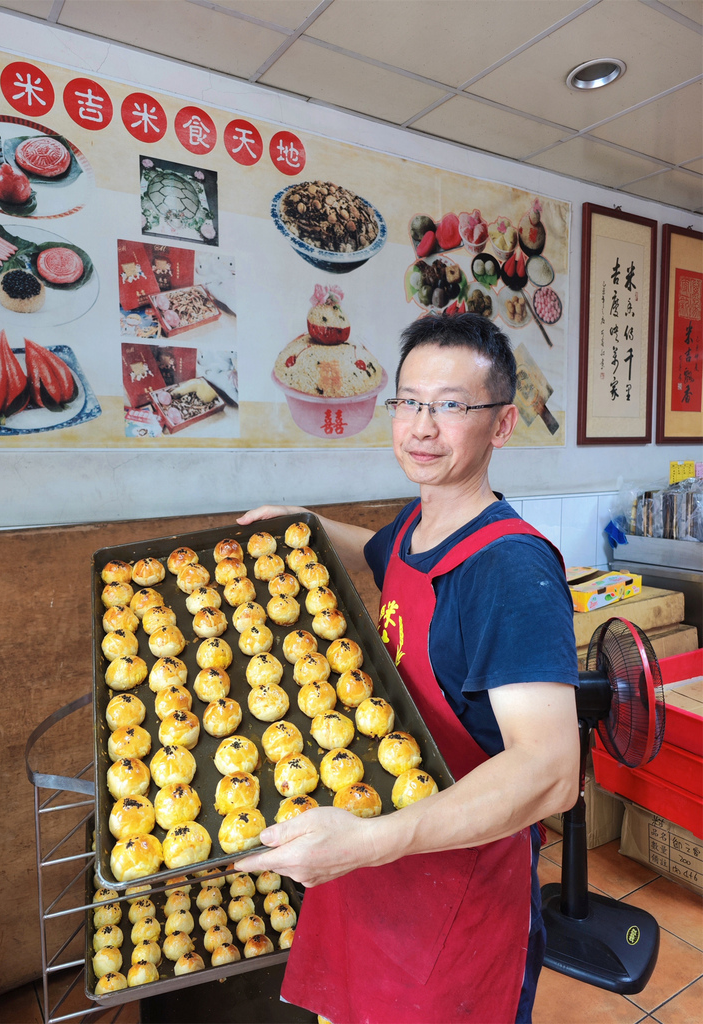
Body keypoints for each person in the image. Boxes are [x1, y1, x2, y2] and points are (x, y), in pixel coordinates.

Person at [235, 313, 580, 1024]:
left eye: (452, 406)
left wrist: (369, 840)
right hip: (376, 871)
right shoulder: (421, 525)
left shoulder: (512, 571)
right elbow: (388, 557)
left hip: (459, 892)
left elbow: (550, 771)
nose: (423, 426)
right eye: (410, 402)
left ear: (502, 424)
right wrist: (303, 521)